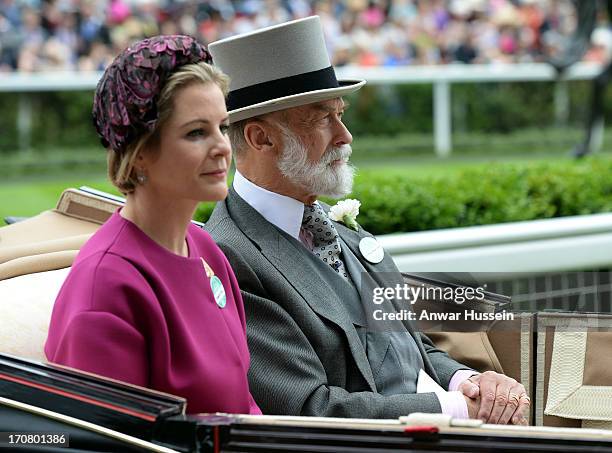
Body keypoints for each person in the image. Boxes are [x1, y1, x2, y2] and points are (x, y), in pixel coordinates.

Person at [206, 16, 529, 423]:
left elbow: (410, 348)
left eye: (340, 115)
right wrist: (458, 410)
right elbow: (310, 411)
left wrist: (469, 382)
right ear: (260, 138)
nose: (345, 135)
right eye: (323, 118)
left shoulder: (329, 224)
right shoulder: (228, 258)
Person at [45, 35, 260, 415]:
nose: (223, 146)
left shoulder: (206, 247)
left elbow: (243, 405)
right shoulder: (106, 288)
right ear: (140, 151)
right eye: (197, 132)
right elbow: (112, 442)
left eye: (223, 127)